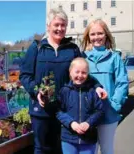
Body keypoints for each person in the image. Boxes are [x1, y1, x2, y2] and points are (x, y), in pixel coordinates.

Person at [19, 8, 107, 154]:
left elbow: (82, 72)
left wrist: (97, 86)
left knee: (63, 149)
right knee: (41, 148)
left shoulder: (72, 49)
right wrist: (37, 91)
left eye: (63, 25)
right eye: (56, 25)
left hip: (67, 110)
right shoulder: (37, 47)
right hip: (42, 110)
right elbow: (25, 75)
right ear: (48, 26)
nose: (60, 28)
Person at [81, 19, 129, 154]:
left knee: (107, 149)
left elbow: (122, 83)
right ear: (88, 37)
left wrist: (114, 105)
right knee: (89, 150)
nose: (96, 37)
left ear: (106, 35)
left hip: (108, 113)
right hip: (88, 114)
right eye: (93, 34)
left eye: (100, 33)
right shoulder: (82, 58)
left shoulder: (115, 58)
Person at [57, 58, 104, 154]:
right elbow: (58, 111)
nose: (80, 75)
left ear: (88, 74)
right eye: (77, 72)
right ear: (70, 72)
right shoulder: (64, 91)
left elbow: (100, 111)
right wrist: (71, 123)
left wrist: (88, 123)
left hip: (88, 139)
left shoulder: (93, 91)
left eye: (84, 73)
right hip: (68, 139)